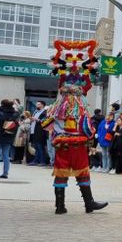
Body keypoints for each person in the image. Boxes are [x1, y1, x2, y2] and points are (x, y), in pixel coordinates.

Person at [43, 39, 107, 214]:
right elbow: (86, 127)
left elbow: (49, 124)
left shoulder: (59, 106)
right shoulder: (78, 106)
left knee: (62, 171)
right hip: (76, 142)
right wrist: (90, 134)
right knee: (81, 170)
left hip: (62, 142)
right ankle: (88, 203)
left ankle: (60, 206)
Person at [0, 99, 19, 179]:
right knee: (6, 155)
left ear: (2, 104)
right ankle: (5, 173)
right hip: (8, 135)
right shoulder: (15, 114)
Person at [29, 101, 47, 166]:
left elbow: (44, 121)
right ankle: (36, 160)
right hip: (34, 131)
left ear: (42, 105)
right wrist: (31, 119)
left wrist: (36, 119)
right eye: (36, 104)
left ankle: (42, 161)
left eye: (38, 104)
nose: (37, 105)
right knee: (36, 147)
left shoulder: (45, 112)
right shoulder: (36, 112)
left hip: (40, 132)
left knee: (40, 146)